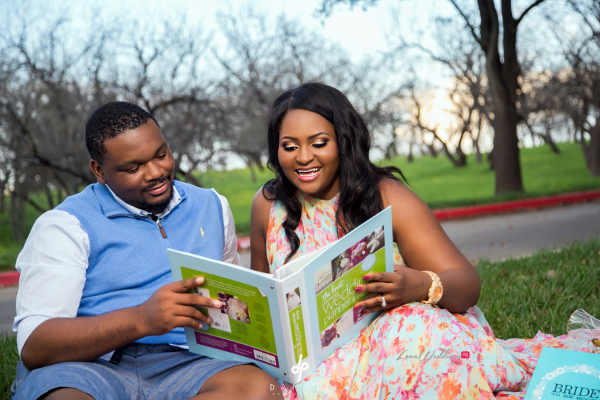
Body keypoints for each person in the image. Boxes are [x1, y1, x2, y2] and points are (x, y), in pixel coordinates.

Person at [250, 82, 599, 399]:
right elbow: (263, 295)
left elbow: (467, 284)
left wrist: (421, 285)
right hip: (313, 364)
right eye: (289, 146)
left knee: (413, 330)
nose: (303, 157)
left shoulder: (386, 197)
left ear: (342, 141)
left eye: (318, 143)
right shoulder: (268, 205)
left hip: (396, 342)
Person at [12, 102, 280, 400]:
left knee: (259, 389)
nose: (156, 172)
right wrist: (143, 318)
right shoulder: (65, 225)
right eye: (134, 167)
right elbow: (35, 346)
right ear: (99, 171)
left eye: (161, 154)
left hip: (192, 363)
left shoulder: (213, 206)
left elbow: (231, 301)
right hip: (89, 366)